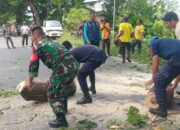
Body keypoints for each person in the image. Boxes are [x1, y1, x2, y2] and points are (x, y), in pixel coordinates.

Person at [27, 27, 79, 128]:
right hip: (74, 65)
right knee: (61, 87)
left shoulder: (37, 46)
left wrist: (30, 81)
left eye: (32, 37)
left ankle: (61, 120)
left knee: (52, 93)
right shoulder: (53, 41)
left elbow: (33, 64)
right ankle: (64, 109)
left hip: (63, 67)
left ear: (35, 37)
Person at [145, 36, 180, 117]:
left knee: (159, 80)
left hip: (177, 57)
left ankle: (161, 109)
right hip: (177, 57)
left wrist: (153, 79)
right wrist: (174, 85)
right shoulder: (170, 46)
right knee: (162, 78)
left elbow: (155, 65)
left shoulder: (153, 43)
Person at [163, 11, 180, 94]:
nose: (166, 26)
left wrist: (175, 84)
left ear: (172, 20)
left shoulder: (178, 29)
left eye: (167, 23)